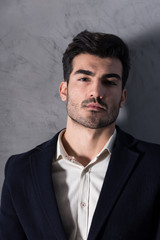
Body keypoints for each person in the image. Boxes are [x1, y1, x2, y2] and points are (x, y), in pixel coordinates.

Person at [0, 30, 160, 240]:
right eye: (84, 78)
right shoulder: (20, 170)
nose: (96, 91)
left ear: (123, 97)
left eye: (110, 82)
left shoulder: (155, 166)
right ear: (64, 90)